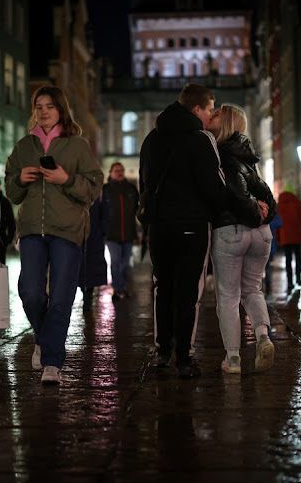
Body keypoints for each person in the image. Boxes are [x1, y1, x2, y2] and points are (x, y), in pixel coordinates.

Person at [5, 85, 103, 385]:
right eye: (39, 105)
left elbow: (93, 189)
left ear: (60, 109)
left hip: (68, 230)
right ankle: (44, 337)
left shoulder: (77, 145)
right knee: (31, 292)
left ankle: (52, 362)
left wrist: (66, 178)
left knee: (61, 296)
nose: (44, 111)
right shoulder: (24, 146)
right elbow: (11, 190)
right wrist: (19, 179)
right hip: (32, 228)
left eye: (50, 105)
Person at [139, 83, 226, 379]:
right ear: (197, 109)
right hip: (192, 223)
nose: (210, 117)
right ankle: (185, 358)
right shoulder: (201, 139)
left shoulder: (151, 139)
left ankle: (163, 351)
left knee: (162, 288)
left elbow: (145, 184)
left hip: (159, 226)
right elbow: (214, 186)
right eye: (209, 110)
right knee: (190, 292)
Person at [206, 103, 277, 374]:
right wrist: (262, 216)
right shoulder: (248, 154)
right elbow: (265, 194)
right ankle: (262, 337)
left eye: (215, 115)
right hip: (261, 234)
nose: (209, 118)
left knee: (228, 295)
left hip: (230, 231)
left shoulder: (219, 154)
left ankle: (233, 358)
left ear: (223, 123)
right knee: (252, 290)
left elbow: (236, 192)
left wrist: (252, 212)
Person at [103, 162, 139, 301]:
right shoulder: (106, 189)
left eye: (122, 170)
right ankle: (117, 289)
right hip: (112, 234)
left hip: (128, 233)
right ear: (111, 173)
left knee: (125, 264)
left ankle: (122, 288)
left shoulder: (130, 189)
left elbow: (137, 208)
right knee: (116, 262)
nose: (120, 172)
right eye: (117, 170)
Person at [79, 190, 111, 311]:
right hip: (77, 235)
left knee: (91, 266)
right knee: (78, 266)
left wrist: (102, 231)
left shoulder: (100, 193)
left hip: (94, 237)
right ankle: (85, 292)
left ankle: (88, 295)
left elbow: (106, 213)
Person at [277, 183, 301, 292]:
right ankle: (299, 278)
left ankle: (290, 281)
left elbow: (277, 222)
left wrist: (278, 237)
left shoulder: (279, 204)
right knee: (298, 257)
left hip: (285, 237)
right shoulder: (297, 202)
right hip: (297, 235)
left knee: (288, 259)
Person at [0, 176, 16, 264]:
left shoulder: (5, 202)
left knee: (0, 263)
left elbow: (11, 222)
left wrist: (8, 239)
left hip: (1, 237)